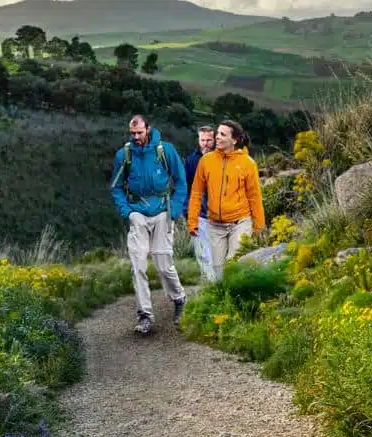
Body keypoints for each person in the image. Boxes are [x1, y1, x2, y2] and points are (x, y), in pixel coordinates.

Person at [110, 114, 189, 335]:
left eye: (140, 133)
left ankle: (179, 298)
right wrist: (128, 212)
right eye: (132, 133)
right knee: (138, 266)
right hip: (138, 215)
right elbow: (116, 188)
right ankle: (145, 315)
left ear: (148, 129)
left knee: (163, 263)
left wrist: (174, 209)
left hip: (163, 213)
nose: (136, 137)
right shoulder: (124, 155)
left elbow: (181, 182)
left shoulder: (165, 151)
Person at [187, 119, 266, 280]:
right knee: (218, 271)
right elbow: (196, 193)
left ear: (234, 140)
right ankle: (224, 301)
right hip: (214, 225)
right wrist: (192, 221)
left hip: (240, 223)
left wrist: (259, 226)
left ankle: (239, 302)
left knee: (233, 265)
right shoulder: (206, 161)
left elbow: (254, 197)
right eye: (217, 133)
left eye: (222, 134)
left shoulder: (247, 163)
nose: (217, 137)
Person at [182, 124, 218, 281]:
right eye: (203, 140)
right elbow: (184, 186)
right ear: (198, 140)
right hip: (200, 213)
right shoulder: (190, 161)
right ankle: (211, 285)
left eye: (209, 140)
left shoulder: (223, 158)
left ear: (214, 139)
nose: (206, 143)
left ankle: (219, 282)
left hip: (220, 213)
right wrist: (186, 210)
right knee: (203, 252)